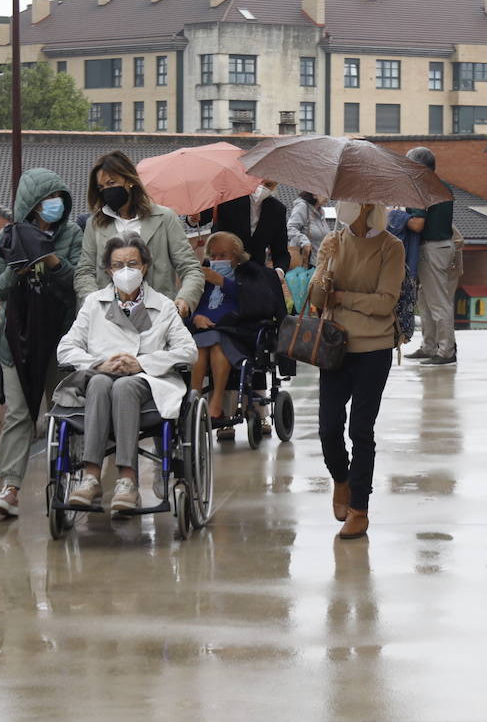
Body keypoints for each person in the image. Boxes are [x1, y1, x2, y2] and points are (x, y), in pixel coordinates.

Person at [57, 236, 197, 514]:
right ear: (108, 270)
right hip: (100, 385)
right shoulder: (94, 303)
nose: (125, 270)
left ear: (144, 267)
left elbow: (188, 352)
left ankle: (127, 481)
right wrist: (99, 363)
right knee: (99, 381)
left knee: (126, 386)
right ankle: (91, 478)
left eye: (132, 263)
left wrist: (143, 364)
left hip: (148, 387)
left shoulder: (164, 306)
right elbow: (65, 349)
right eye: (118, 265)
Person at [0, 168, 82, 518]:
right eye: (46, 200)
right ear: (31, 204)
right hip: (18, 341)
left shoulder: (71, 234)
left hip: (60, 338)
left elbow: (78, 282)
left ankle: (71, 476)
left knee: (68, 410)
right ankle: (10, 488)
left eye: (58, 198)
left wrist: (53, 264)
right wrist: (16, 270)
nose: (54, 204)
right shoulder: (8, 235)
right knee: (18, 414)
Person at [309, 200, 404, 540]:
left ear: (366, 205)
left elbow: (385, 302)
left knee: (361, 430)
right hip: (334, 345)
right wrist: (323, 265)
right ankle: (341, 479)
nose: (343, 204)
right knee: (328, 427)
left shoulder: (391, 247)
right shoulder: (333, 241)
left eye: (351, 198)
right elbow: (317, 299)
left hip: (373, 348)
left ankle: (360, 509)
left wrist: (343, 297)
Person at [74, 151, 203, 318]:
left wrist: (185, 299)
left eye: (111, 183)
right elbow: (85, 271)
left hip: (157, 318)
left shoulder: (165, 218)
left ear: (129, 181)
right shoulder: (95, 224)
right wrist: (94, 304)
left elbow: (191, 268)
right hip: (108, 321)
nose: (107, 191)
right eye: (101, 187)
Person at [188, 230, 287, 440]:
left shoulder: (252, 274)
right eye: (212, 256)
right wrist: (196, 317)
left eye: (222, 256)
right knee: (197, 346)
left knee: (216, 342)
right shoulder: (201, 277)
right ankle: (194, 400)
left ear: (236, 257)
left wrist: (223, 282)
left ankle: (216, 403)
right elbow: (189, 305)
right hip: (202, 331)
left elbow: (259, 303)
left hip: (237, 332)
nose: (216, 260)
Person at [402, 147, 460, 365]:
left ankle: (445, 351)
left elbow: (417, 224)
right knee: (425, 301)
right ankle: (429, 346)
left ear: (419, 167)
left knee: (437, 302)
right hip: (443, 246)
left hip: (432, 249)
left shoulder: (421, 188)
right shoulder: (442, 186)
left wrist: (395, 216)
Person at [196, 180, 290, 270]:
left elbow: (281, 251)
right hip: (219, 265)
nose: (261, 188)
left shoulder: (277, 210)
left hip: (253, 274)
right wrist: (194, 217)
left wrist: (279, 271)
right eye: (257, 182)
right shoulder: (228, 196)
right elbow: (202, 217)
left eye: (268, 185)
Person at [287, 191, 329, 269]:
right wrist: (304, 241)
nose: (328, 197)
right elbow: (290, 228)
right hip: (303, 262)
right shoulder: (302, 207)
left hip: (317, 264)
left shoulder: (321, 212)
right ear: (314, 193)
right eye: (325, 193)